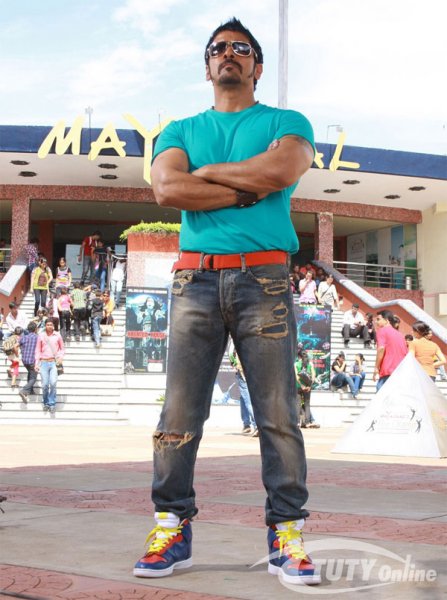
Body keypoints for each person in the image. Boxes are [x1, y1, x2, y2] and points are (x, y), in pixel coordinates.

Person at [133, 18, 319, 586]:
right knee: (179, 413)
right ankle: (171, 526)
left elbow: (283, 168)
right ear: (207, 66)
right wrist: (246, 189)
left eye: (241, 48)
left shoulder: (287, 122)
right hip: (195, 279)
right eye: (219, 48)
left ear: (257, 65)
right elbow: (167, 188)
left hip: (265, 278)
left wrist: (207, 175)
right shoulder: (181, 128)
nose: (229, 54)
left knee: (278, 412)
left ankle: (287, 534)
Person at [35, 318, 64, 413]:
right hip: (43, 362)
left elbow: (62, 349)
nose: (49, 326)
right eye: (47, 325)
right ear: (45, 325)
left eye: (51, 325)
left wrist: (60, 357)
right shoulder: (41, 336)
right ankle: (46, 403)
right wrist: (36, 363)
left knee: (53, 383)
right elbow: (38, 350)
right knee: (44, 385)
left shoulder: (58, 335)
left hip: (54, 362)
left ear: (53, 326)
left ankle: (52, 403)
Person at [373, 309, 407, 390]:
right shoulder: (400, 334)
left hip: (388, 370)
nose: (376, 322)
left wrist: (376, 367)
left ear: (387, 320)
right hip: (400, 371)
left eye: (378, 319)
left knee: (381, 396)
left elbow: (381, 349)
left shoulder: (382, 331)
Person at [229, 346, 257, 436]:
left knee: (248, 399)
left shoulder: (234, 341)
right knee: (243, 397)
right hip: (253, 371)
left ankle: (256, 425)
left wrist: (233, 363)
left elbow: (231, 354)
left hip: (242, 372)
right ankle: (246, 424)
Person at [295, 350, 319, 428]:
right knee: (307, 404)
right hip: (308, 387)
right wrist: (310, 386)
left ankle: (297, 422)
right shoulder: (310, 364)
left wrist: (301, 385)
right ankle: (307, 422)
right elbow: (313, 375)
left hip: (299, 387)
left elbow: (296, 377)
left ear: (299, 357)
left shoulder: (296, 364)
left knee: (298, 404)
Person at [18, 321, 39, 402]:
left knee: (30, 372)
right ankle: (24, 390)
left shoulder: (23, 337)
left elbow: (16, 346)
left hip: (25, 360)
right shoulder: (37, 337)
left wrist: (21, 351)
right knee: (33, 378)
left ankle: (30, 390)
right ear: (36, 329)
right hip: (32, 360)